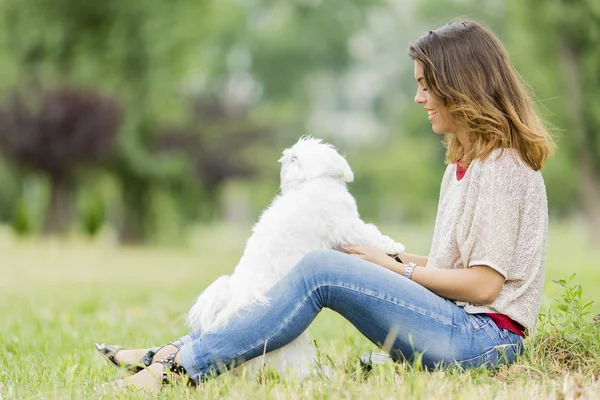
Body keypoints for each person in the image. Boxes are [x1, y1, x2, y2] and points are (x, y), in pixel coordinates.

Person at [98, 19, 554, 393]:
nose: (419, 98)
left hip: (484, 340)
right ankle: (176, 352)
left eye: (426, 86)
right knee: (329, 262)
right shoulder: (466, 162)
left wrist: (393, 268)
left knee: (321, 270)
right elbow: (449, 266)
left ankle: (177, 368)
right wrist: (377, 260)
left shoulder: (504, 168)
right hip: (457, 325)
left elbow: (482, 286)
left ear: (461, 85)